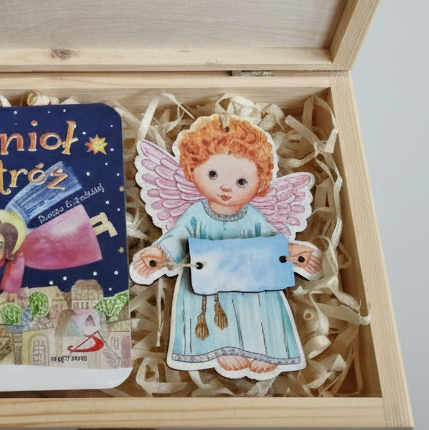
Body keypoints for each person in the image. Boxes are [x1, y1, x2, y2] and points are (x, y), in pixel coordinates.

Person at [131, 115, 321, 379]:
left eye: (241, 182)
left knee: (255, 310)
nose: (225, 187)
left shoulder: (253, 215)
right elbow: (177, 238)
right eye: (212, 174)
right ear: (192, 169)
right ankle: (220, 348)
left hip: (253, 283)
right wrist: (159, 255)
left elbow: (273, 244)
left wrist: (294, 254)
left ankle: (260, 350)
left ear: (260, 183)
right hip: (207, 286)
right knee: (212, 309)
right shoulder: (195, 213)